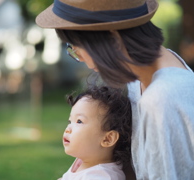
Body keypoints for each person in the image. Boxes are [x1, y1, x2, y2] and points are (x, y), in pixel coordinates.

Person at [35, 0, 194, 179]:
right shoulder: (145, 76)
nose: (79, 58)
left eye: (77, 48)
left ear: (111, 39)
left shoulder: (162, 98)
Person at [60, 85, 132, 180]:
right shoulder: (85, 161)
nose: (68, 129)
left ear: (108, 139)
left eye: (79, 121)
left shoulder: (102, 176)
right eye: (70, 121)